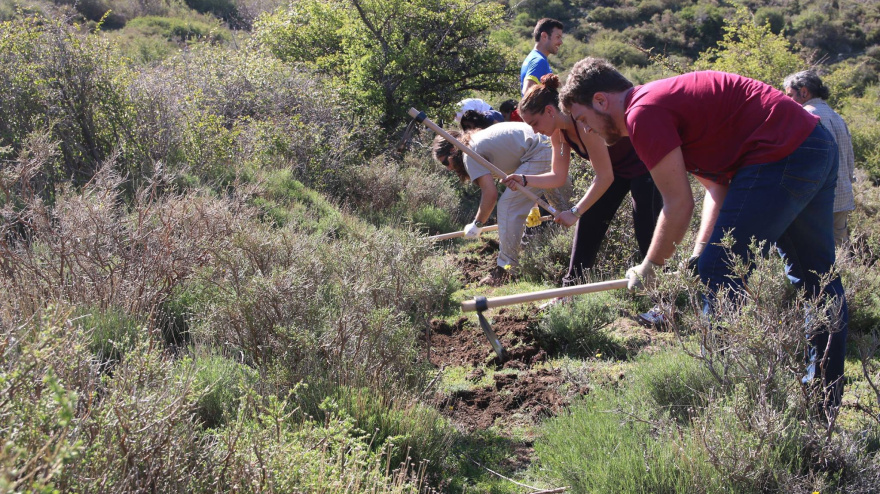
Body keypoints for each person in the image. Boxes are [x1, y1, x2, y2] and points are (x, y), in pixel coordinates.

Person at [559, 57, 847, 405]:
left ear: (601, 100)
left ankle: (724, 396)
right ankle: (823, 401)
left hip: (782, 154)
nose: (586, 130)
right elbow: (716, 191)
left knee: (721, 270)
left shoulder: (642, 113)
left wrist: (650, 266)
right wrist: (697, 254)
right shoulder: (661, 104)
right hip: (813, 145)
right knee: (816, 279)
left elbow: (678, 205)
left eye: (584, 119)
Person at [504, 74, 662, 292]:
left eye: (534, 122)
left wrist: (574, 212)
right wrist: (523, 179)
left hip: (645, 165)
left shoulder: (583, 122)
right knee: (590, 221)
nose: (534, 130)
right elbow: (558, 176)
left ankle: (663, 298)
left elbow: (604, 176)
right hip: (617, 171)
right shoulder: (557, 133)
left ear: (550, 111)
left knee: (645, 226)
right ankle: (570, 291)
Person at [431, 122, 570, 284]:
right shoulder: (475, 141)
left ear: (452, 151)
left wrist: (477, 224)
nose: (448, 169)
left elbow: (490, 194)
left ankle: (505, 269)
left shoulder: (468, 153)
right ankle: (572, 251)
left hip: (540, 152)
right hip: (549, 146)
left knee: (507, 207)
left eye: (445, 163)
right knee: (564, 211)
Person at [784, 70, 856, 246]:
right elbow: (849, 159)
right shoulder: (836, 116)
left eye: (790, 95)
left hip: (819, 198)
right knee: (840, 247)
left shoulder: (806, 116)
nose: (787, 100)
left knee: (814, 250)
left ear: (804, 92)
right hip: (843, 195)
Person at [520, 18, 564, 97]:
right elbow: (527, 93)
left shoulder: (533, 57)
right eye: (558, 37)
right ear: (544, 36)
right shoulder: (539, 61)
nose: (561, 42)